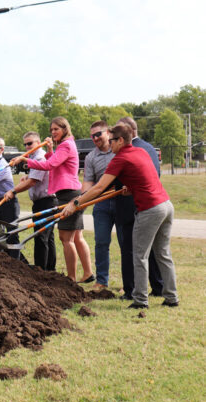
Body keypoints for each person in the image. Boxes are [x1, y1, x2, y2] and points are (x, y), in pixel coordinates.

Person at [61, 123, 178, 309]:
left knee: (139, 255)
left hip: (150, 210)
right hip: (166, 205)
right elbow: (145, 178)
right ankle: (172, 297)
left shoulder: (120, 158)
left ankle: (140, 300)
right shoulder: (140, 152)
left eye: (112, 140)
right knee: (163, 253)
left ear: (120, 140)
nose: (110, 143)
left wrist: (75, 203)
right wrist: (131, 189)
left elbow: (99, 187)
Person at [11, 117, 92, 282]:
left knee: (66, 238)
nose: (53, 132)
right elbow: (54, 162)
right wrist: (49, 150)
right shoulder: (66, 145)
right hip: (69, 192)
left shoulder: (66, 145)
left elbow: (49, 166)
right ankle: (88, 274)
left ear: (64, 128)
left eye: (56, 129)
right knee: (76, 237)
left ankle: (71, 277)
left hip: (69, 194)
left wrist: (25, 160)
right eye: (51, 130)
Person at [114, 116, 164, 300]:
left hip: (131, 205)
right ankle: (159, 287)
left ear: (127, 132)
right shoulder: (149, 147)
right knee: (152, 249)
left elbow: (115, 177)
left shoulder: (130, 150)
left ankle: (131, 290)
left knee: (130, 249)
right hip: (152, 202)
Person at [3, 131, 56, 270]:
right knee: (48, 238)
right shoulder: (35, 158)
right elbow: (35, 178)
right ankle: (50, 269)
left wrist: (13, 191)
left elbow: (33, 182)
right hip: (43, 201)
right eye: (25, 144)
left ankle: (40, 270)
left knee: (41, 237)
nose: (27, 146)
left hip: (46, 201)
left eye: (30, 143)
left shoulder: (40, 158)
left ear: (38, 143)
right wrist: (26, 178)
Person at [82, 121, 115, 291]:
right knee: (101, 242)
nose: (95, 138)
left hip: (122, 201)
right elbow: (88, 182)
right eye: (92, 136)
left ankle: (130, 284)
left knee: (127, 243)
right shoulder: (90, 157)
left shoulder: (118, 151)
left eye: (98, 134)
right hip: (101, 203)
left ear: (108, 133)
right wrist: (81, 199)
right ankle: (101, 281)